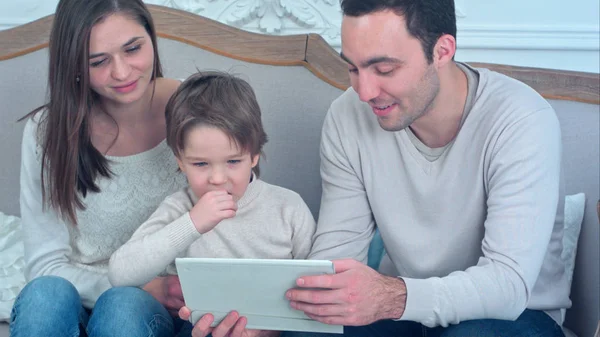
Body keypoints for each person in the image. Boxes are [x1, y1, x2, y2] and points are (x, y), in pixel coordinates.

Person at [282, 0, 570, 336]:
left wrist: (393, 297)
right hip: (404, 311)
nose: (364, 92)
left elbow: (507, 285)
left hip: (515, 316)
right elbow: (335, 261)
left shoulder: (521, 120)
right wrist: (264, 319)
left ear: (442, 51)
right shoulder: (347, 116)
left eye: (384, 69)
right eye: (353, 68)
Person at [10, 0, 188, 336]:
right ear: (74, 65)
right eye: (98, 62)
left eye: (133, 48)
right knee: (45, 294)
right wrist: (130, 285)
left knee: (124, 307)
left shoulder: (197, 107)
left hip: (167, 310)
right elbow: (46, 266)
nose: (121, 72)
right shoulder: (47, 131)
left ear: (152, 37)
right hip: (81, 297)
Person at [108, 71, 316, 337]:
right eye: (200, 164)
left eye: (233, 161)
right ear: (180, 161)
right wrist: (192, 223)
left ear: (254, 155)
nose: (218, 179)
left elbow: (318, 289)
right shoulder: (180, 207)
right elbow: (120, 274)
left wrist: (268, 329)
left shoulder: (288, 207)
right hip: (202, 329)